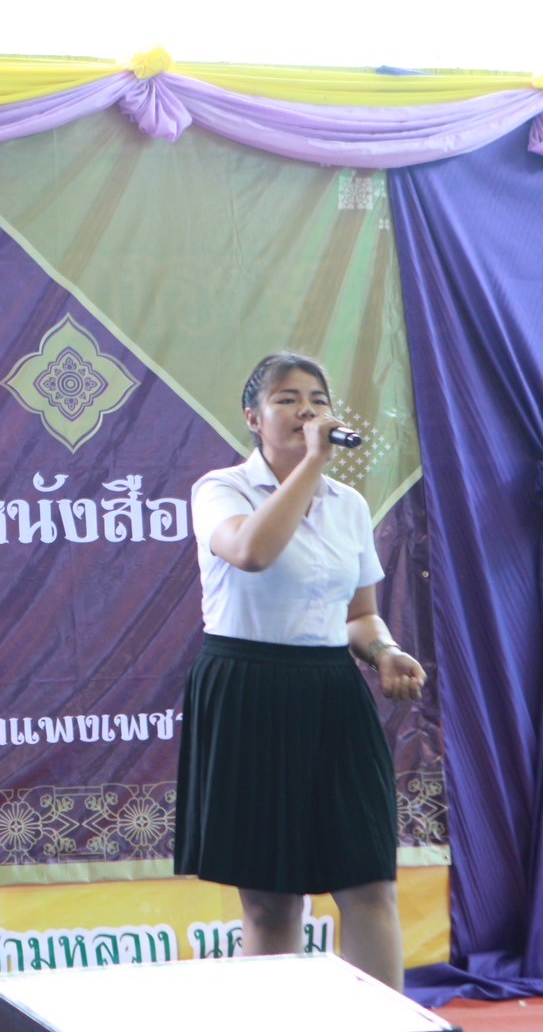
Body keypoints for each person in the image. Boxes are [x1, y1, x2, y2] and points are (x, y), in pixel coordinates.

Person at [174, 351, 427, 991]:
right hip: (249, 689)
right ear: (253, 417)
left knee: (369, 882)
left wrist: (385, 650)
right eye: (287, 399)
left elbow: (360, 615)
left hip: (333, 691)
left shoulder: (348, 505)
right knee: (272, 903)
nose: (306, 410)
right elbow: (251, 551)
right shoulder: (220, 489)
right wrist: (312, 463)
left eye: (317, 400)